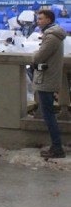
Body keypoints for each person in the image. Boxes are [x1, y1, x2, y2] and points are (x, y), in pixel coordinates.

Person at [32, 8, 66, 159]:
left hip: (46, 79)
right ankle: (56, 146)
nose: (38, 21)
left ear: (49, 20)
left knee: (49, 115)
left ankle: (57, 147)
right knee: (49, 113)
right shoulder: (53, 35)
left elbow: (38, 57)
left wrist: (34, 54)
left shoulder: (51, 37)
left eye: (40, 19)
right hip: (50, 77)